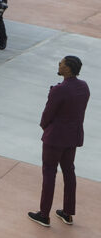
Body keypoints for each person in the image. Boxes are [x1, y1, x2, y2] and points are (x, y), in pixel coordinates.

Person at [28, 56, 90, 227]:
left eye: (61, 64)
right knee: (69, 172)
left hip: (55, 138)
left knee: (49, 173)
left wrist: (45, 127)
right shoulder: (84, 87)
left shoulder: (59, 90)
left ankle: (44, 214)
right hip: (72, 137)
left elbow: (47, 114)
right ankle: (68, 213)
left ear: (68, 69)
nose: (59, 65)